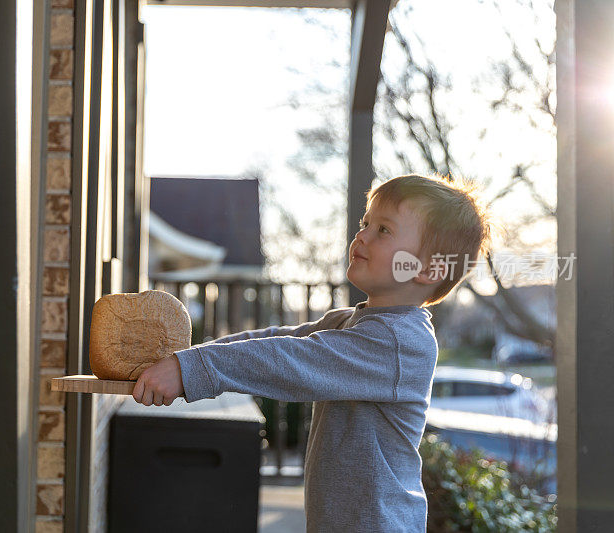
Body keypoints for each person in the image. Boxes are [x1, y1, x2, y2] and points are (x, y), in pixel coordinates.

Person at [132, 174, 493, 532]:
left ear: (428, 269)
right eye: (365, 223)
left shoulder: (399, 344)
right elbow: (278, 338)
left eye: (384, 230)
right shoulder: (350, 322)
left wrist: (193, 367)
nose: (362, 235)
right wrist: (185, 358)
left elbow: (291, 360)